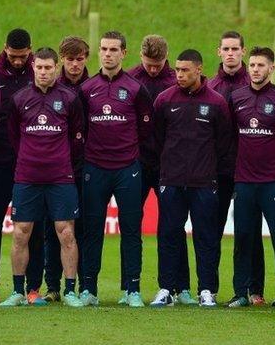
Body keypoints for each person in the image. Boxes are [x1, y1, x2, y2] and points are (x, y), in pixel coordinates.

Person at [0, 47, 84, 307]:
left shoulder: (69, 98)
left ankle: (70, 291)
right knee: (21, 233)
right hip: (27, 177)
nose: (44, 72)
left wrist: (58, 160)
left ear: (56, 68)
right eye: (39, 67)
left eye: (49, 67)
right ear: (33, 67)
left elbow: (78, 138)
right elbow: (14, 136)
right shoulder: (19, 98)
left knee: (66, 233)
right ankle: (17, 291)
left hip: (61, 177)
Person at [149, 49, 232, 307]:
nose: (180, 75)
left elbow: (224, 144)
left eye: (185, 70)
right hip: (171, 181)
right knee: (169, 235)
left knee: (206, 237)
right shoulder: (164, 100)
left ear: (199, 69)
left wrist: (209, 171)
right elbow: (158, 138)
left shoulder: (217, 103)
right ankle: (166, 288)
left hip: (204, 182)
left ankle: (207, 289)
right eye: (177, 70)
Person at [79, 31, 153, 307]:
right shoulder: (86, 89)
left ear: (124, 53)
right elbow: (80, 128)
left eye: (113, 50)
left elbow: (146, 129)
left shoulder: (135, 89)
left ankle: (131, 289)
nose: (108, 54)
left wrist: (130, 153)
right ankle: (89, 290)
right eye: (104, 49)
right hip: (94, 167)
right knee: (92, 230)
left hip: (127, 169)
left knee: (131, 229)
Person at [227, 47, 275, 308]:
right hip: (245, 182)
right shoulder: (236, 98)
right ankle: (241, 293)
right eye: (253, 65)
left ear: (272, 68)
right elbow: (230, 138)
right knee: (243, 239)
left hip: (274, 182)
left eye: (261, 65)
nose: (256, 69)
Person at [0, 28, 46, 305]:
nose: (18, 61)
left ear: (30, 50)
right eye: (13, 55)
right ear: (5, 48)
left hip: (31, 166)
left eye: (23, 56)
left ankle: (33, 288)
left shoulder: (39, 75)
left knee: (35, 228)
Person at [125, 34, 184, 304]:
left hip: (168, 165)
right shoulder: (129, 80)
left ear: (166, 57)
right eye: (148, 64)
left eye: (157, 64)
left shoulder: (176, 81)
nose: (152, 69)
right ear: (140, 56)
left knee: (173, 226)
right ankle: (130, 287)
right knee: (130, 224)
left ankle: (179, 286)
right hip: (136, 162)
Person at [208, 31, 266, 304]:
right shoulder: (211, 86)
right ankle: (209, 288)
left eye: (235, 49)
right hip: (218, 170)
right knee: (212, 230)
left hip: (249, 171)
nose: (230, 53)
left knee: (250, 232)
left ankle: (254, 290)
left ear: (242, 51)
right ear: (218, 52)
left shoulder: (255, 82)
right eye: (226, 49)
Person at [42, 36, 90, 303]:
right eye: (69, 59)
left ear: (86, 58)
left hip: (85, 167)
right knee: (52, 229)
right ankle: (52, 287)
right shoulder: (51, 87)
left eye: (79, 59)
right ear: (61, 59)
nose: (74, 64)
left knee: (81, 228)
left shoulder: (94, 87)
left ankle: (84, 285)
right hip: (55, 170)